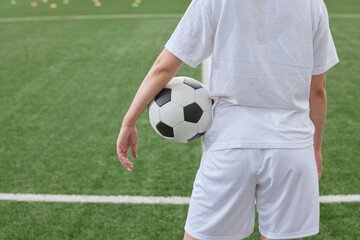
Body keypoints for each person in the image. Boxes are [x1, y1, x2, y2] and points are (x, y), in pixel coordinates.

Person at [117, 0, 339, 239]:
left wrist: (129, 121)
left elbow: (163, 67)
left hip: (230, 145)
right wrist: (315, 148)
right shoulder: (312, 3)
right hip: (292, 148)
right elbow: (317, 89)